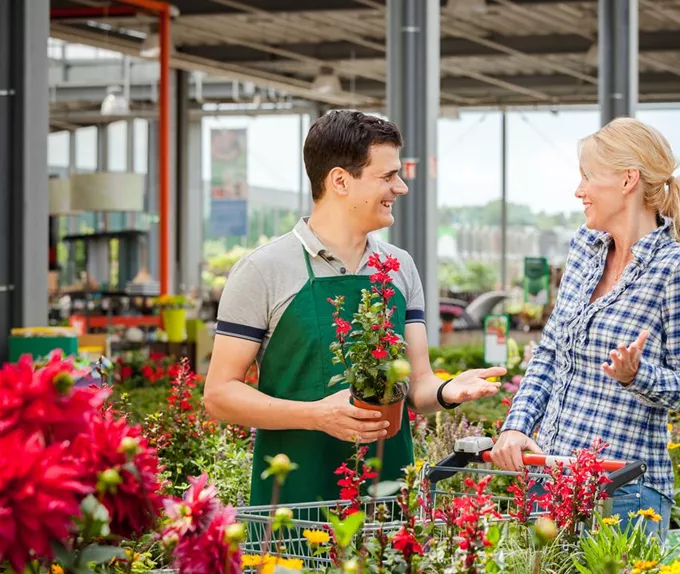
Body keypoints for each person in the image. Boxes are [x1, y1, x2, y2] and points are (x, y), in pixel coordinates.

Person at [204, 110, 503, 506]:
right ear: (340, 181)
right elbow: (219, 394)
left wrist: (448, 390)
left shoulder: (398, 268)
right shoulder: (262, 270)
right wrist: (315, 416)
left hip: (389, 499)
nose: (401, 187)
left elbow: (417, 386)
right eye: (387, 176)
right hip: (293, 504)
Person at [490, 117, 680, 541]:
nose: (579, 191)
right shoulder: (585, 247)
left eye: (587, 177)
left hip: (624, 494)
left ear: (628, 180)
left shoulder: (679, 271)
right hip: (552, 479)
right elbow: (549, 351)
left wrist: (637, 376)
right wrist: (517, 425)